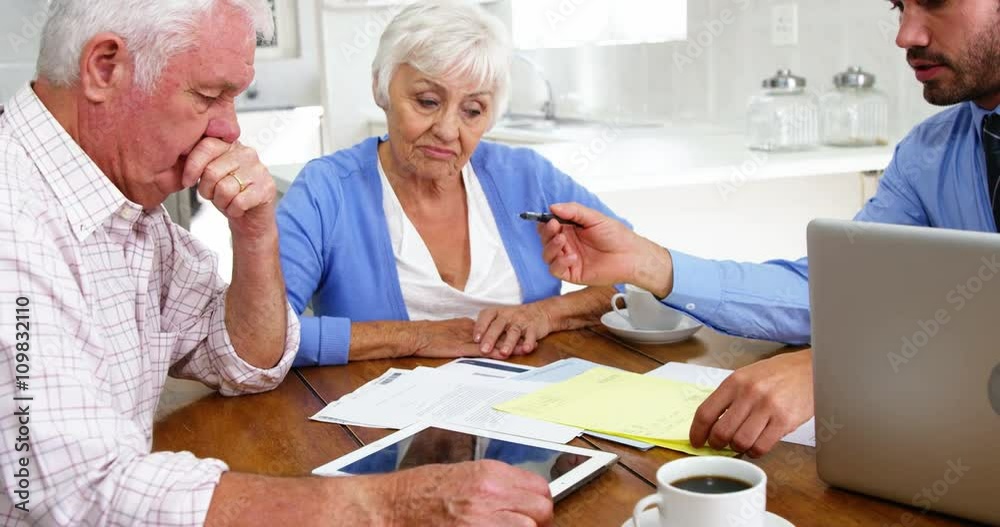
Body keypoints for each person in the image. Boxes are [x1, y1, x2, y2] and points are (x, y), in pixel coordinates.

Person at [0, 1, 553, 525]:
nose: (230, 129)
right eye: (209, 95)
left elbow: (243, 359)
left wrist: (256, 234)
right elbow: (77, 496)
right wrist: (391, 507)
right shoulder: (15, 222)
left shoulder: (129, 214)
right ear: (105, 68)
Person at [537, 0, 1000, 458]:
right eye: (900, 8)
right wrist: (649, 264)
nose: (906, 35)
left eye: (936, 2)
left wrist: (840, 367)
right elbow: (839, 294)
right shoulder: (927, 153)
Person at [276, 1, 629, 367]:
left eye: (472, 110)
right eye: (427, 101)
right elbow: (262, 336)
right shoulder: (326, 190)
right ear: (381, 88)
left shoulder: (527, 176)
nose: (447, 131)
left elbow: (636, 275)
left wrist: (546, 314)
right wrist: (416, 336)